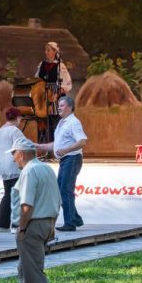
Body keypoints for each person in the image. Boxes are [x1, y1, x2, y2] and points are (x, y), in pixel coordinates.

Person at [0, 134, 62, 283]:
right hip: (46, 223)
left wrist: (22, 227)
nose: (13, 159)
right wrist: (51, 224)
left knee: (33, 271)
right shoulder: (46, 168)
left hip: (32, 225)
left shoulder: (29, 172)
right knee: (26, 268)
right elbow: (56, 200)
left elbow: (27, 205)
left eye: (14, 154)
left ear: (22, 154)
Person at [37, 95, 87, 232]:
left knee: (65, 190)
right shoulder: (62, 122)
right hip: (66, 159)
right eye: (58, 105)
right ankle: (75, 219)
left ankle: (70, 223)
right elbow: (57, 144)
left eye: (62, 105)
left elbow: (82, 141)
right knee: (61, 190)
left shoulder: (73, 122)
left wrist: (66, 150)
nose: (59, 107)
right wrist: (39, 146)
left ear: (70, 107)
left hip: (72, 158)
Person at [0, 108, 24, 232]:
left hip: (2, 165)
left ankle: (1, 224)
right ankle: (15, 225)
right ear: (18, 118)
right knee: (16, 195)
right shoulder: (15, 131)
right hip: (13, 164)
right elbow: (21, 146)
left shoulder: (0, 130)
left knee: (8, 194)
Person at [36, 41, 72, 140]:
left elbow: (66, 83)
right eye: (46, 50)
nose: (46, 52)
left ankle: (55, 143)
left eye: (48, 50)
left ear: (55, 52)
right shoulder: (42, 65)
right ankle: (43, 144)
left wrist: (56, 94)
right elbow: (37, 79)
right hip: (43, 95)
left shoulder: (60, 66)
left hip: (55, 95)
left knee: (54, 121)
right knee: (42, 121)